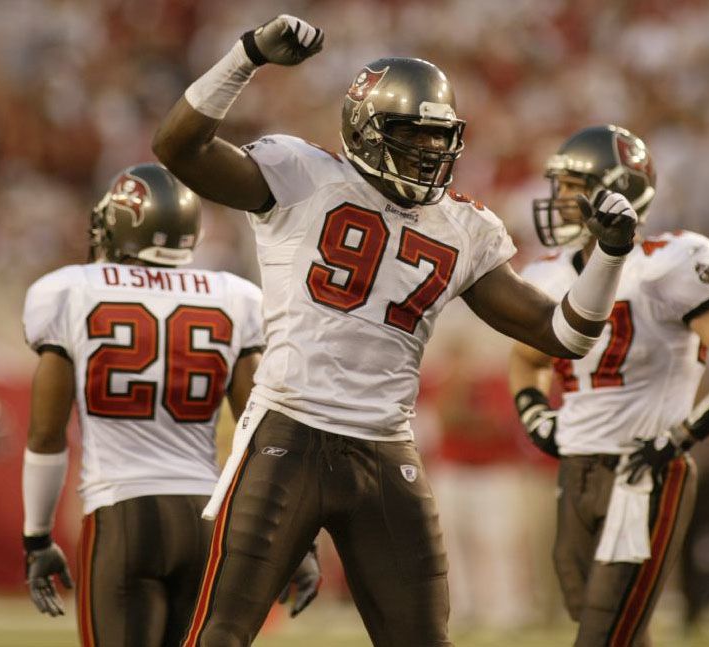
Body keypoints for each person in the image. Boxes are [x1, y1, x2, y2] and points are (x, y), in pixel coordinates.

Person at [152, 15, 641, 647]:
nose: (429, 151)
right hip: (289, 431)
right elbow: (178, 148)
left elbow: (565, 335)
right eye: (412, 135)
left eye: (440, 138)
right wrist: (245, 56)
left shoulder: (464, 227)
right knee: (221, 633)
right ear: (364, 127)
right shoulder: (301, 174)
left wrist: (609, 256)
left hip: (385, 448)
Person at [19, 163, 319, 647]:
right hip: (204, 521)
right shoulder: (233, 296)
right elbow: (265, 436)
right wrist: (295, 540)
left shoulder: (70, 291)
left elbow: (46, 435)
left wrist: (36, 538)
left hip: (121, 515)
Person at [507, 125, 709, 647]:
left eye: (573, 187)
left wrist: (681, 436)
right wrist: (533, 411)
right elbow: (525, 360)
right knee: (614, 627)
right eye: (559, 187)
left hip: (642, 470)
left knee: (604, 632)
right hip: (576, 469)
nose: (560, 200)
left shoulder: (666, 263)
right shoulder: (548, 273)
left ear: (618, 189)